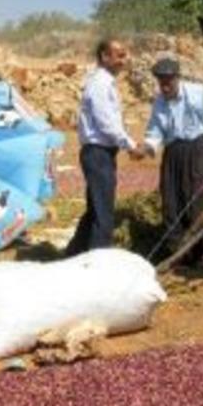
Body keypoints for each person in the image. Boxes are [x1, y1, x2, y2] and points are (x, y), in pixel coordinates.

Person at [65, 38, 142, 257]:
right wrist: (130, 145)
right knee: (104, 215)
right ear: (104, 57)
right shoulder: (100, 84)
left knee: (95, 210)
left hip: (101, 153)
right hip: (98, 153)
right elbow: (106, 123)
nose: (123, 60)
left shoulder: (105, 82)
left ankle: (73, 255)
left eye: (124, 55)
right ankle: (99, 264)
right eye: (118, 55)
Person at [140, 57, 203, 252]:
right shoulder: (160, 101)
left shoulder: (197, 93)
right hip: (173, 152)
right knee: (171, 201)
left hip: (198, 149)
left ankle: (198, 249)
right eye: (161, 83)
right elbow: (155, 130)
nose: (165, 87)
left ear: (178, 78)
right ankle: (175, 250)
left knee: (195, 199)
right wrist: (147, 147)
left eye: (168, 82)